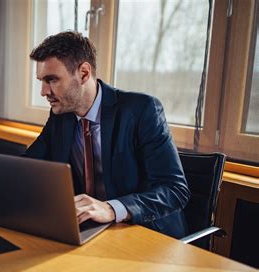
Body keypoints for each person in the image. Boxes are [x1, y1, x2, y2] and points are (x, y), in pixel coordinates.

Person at [25, 31, 190, 238]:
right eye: (41, 81)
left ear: (84, 73)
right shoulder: (61, 116)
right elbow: (28, 166)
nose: (43, 92)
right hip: (90, 232)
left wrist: (112, 208)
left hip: (147, 234)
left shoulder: (142, 110)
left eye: (52, 80)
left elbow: (175, 190)